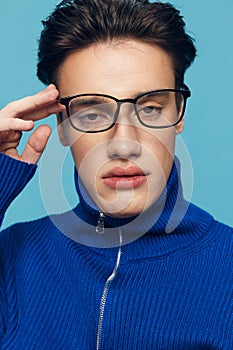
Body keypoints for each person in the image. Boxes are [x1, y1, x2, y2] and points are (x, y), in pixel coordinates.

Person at [0, 0, 232, 348]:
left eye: (151, 109)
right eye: (92, 114)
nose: (124, 145)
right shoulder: (12, 258)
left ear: (179, 115)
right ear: (62, 125)